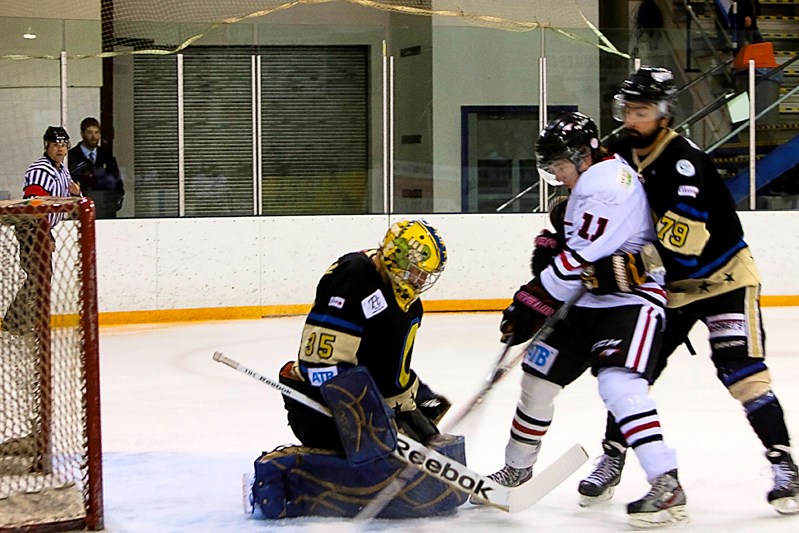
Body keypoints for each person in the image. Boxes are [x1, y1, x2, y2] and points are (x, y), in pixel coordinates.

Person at [578, 66, 799, 515]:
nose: (630, 119)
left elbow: (685, 242)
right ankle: (613, 456)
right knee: (629, 371)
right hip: (670, 290)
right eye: (626, 109)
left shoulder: (685, 163)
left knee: (742, 371)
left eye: (641, 111)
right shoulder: (619, 149)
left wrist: (624, 269)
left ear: (664, 114)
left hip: (723, 280)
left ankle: (785, 466)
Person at [484, 111, 687, 528]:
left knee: (619, 385)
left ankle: (666, 482)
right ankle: (517, 471)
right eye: (552, 167)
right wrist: (537, 290)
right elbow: (570, 253)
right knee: (537, 380)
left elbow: (578, 261)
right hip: (586, 302)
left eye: (560, 165)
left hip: (630, 302)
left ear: (583, 156)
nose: (557, 175)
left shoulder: (605, 185)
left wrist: (531, 300)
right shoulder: (591, 182)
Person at [278, 219, 450, 451]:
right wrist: (368, 409)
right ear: (396, 258)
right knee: (393, 461)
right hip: (323, 405)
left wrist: (416, 397)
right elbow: (318, 364)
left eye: (425, 275)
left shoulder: (409, 306)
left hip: (372, 401)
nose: (420, 281)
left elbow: (387, 363)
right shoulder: (354, 276)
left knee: (432, 449)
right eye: (416, 272)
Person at [2, 126, 81, 335]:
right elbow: (35, 205)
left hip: (43, 228)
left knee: (41, 275)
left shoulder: (62, 170)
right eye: (56, 145)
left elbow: (63, 201)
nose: (61, 149)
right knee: (39, 275)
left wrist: (76, 193)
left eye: (64, 145)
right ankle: (16, 323)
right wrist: (44, 234)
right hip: (31, 227)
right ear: (47, 146)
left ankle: (18, 321)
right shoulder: (40, 170)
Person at [68, 117, 124, 219]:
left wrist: (112, 206)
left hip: (106, 215)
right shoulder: (71, 158)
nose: (94, 137)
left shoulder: (107, 158)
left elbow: (118, 186)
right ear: (82, 134)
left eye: (97, 132)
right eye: (90, 132)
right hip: (80, 215)